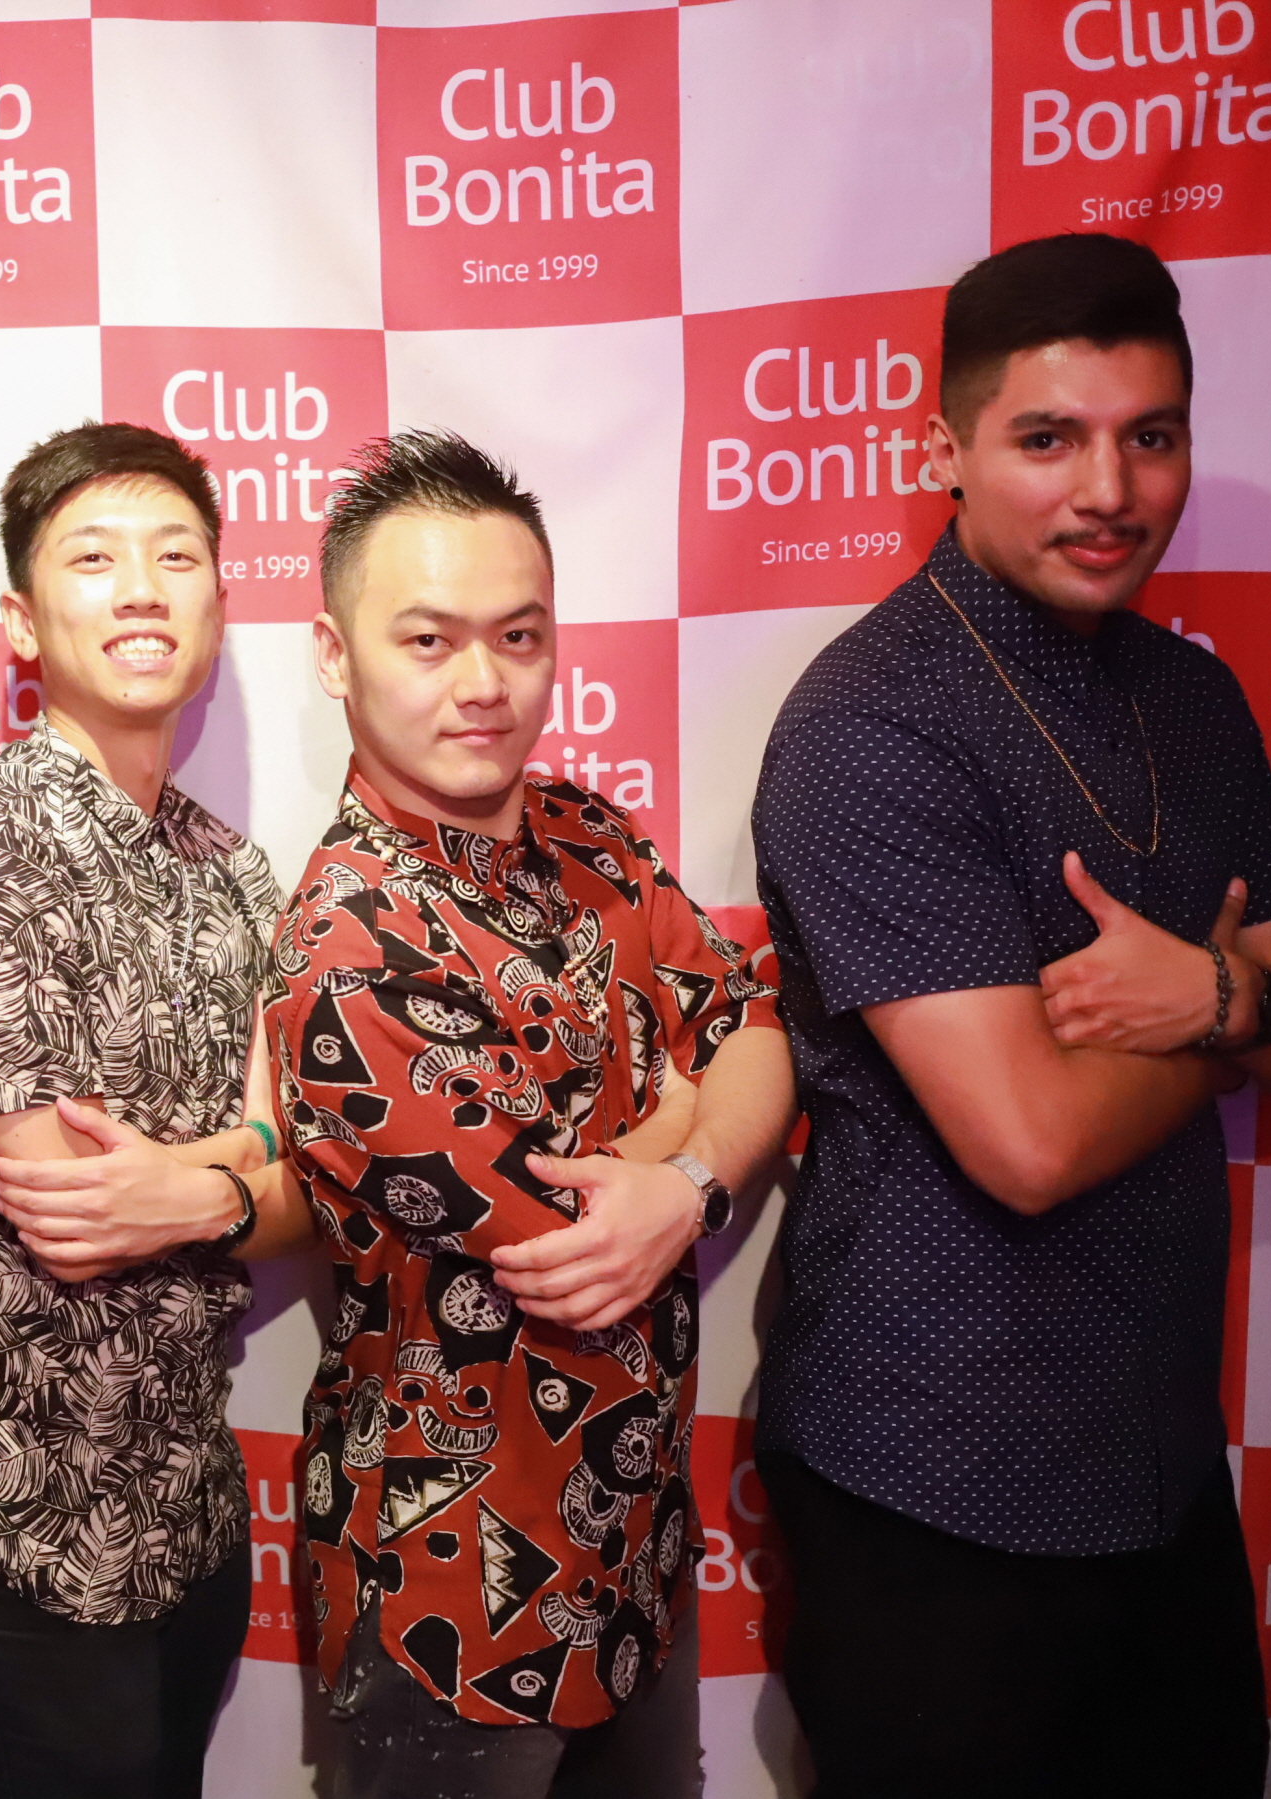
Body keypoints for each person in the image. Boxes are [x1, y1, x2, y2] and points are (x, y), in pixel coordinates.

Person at [749, 233, 1271, 1797]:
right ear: (944, 451)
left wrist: (1216, 992)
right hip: (934, 1480)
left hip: (1159, 1471)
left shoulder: (1191, 699)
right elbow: (1026, 1141)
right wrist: (1229, 1028)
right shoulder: (871, 725)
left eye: (1149, 435)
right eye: (1048, 439)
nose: (1110, 489)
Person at [261, 431, 792, 1797]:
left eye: (518, 635)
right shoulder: (347, 947)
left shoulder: (592, 835)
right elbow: (563, 1234)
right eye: (428, 640)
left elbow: (757, 1029)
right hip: (450, 1599)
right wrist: (686, 1118)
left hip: (637, 1556)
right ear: (335, 657)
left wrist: (684, 1178)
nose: (484, 682)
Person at [0, 422, 307, 1799]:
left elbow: (310, 1177)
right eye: (96, 559)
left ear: (218, 605)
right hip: (22, 1510)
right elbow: (71, 1203)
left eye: (177, 558)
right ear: (21, 622)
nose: (143, 590)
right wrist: (243, 1170)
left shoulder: (237, 872)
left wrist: (216, 1180)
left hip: (189, 1493)